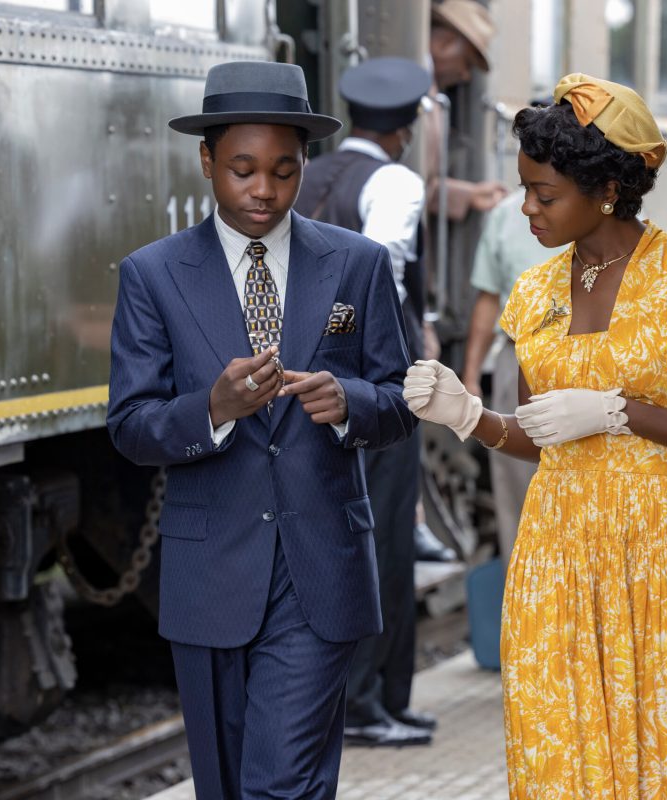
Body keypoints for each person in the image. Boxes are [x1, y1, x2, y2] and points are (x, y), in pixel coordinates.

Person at [404, 73, 667, 797]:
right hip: (555, 553)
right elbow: (540, 435)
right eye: (523, 189)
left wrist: (621, 412)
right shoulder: (535, 291)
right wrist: (467, 416)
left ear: (606, 188)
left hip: (662, 557)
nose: (527, 209)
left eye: (544, 195)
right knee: (566, 751)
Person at [106, 61, 415, 800]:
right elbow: (129, 425)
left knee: (282, 784)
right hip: (210, 574)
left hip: (319, 569)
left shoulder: (358, 265)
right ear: (207, 161)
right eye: (243, 169)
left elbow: (402, 397)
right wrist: (211, 408)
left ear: (304, 165)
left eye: (283, 170)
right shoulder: (153, 275)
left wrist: (351, 402)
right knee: (227, 787)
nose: (264, 190)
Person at [295, 56, 436, 748]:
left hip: (297, 387)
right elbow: (380, 271)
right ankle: (367, 702)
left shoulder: (307, 175)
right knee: (381, 540)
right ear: (405, 129)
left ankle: (383, 698)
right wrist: (347, 344)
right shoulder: (397, 180)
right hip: (376, 386)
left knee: (333, 538)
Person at [461, 187, 551, 564]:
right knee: (517, 493)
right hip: (517, 359)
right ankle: (524, 602)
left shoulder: (601, 204)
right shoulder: (504, 213)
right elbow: (489, 298)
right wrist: (470, 376)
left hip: (589, 362)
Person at [426, 0, 509, 219]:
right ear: (445, 43)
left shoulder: (429, 91)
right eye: (467, 62)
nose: (466, 75)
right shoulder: (418, 88)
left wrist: (469, 195)